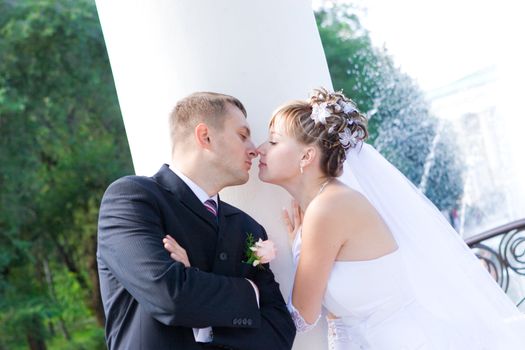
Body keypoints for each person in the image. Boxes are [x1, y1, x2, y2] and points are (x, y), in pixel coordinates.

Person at [253, 88, 525, 349]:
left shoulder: (327, 208)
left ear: (307, 155)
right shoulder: (327, 204)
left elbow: (302, 316)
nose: (260, 149)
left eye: (274, 141)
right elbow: (339, 321)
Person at [97, 92, 296, 350]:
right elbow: (170, 296)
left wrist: (194, 285)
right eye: (243, 135)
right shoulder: (132, 199)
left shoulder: (248, 227)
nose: (255, 149)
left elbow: (280, 333)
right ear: (205, 136)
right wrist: (250, 292)